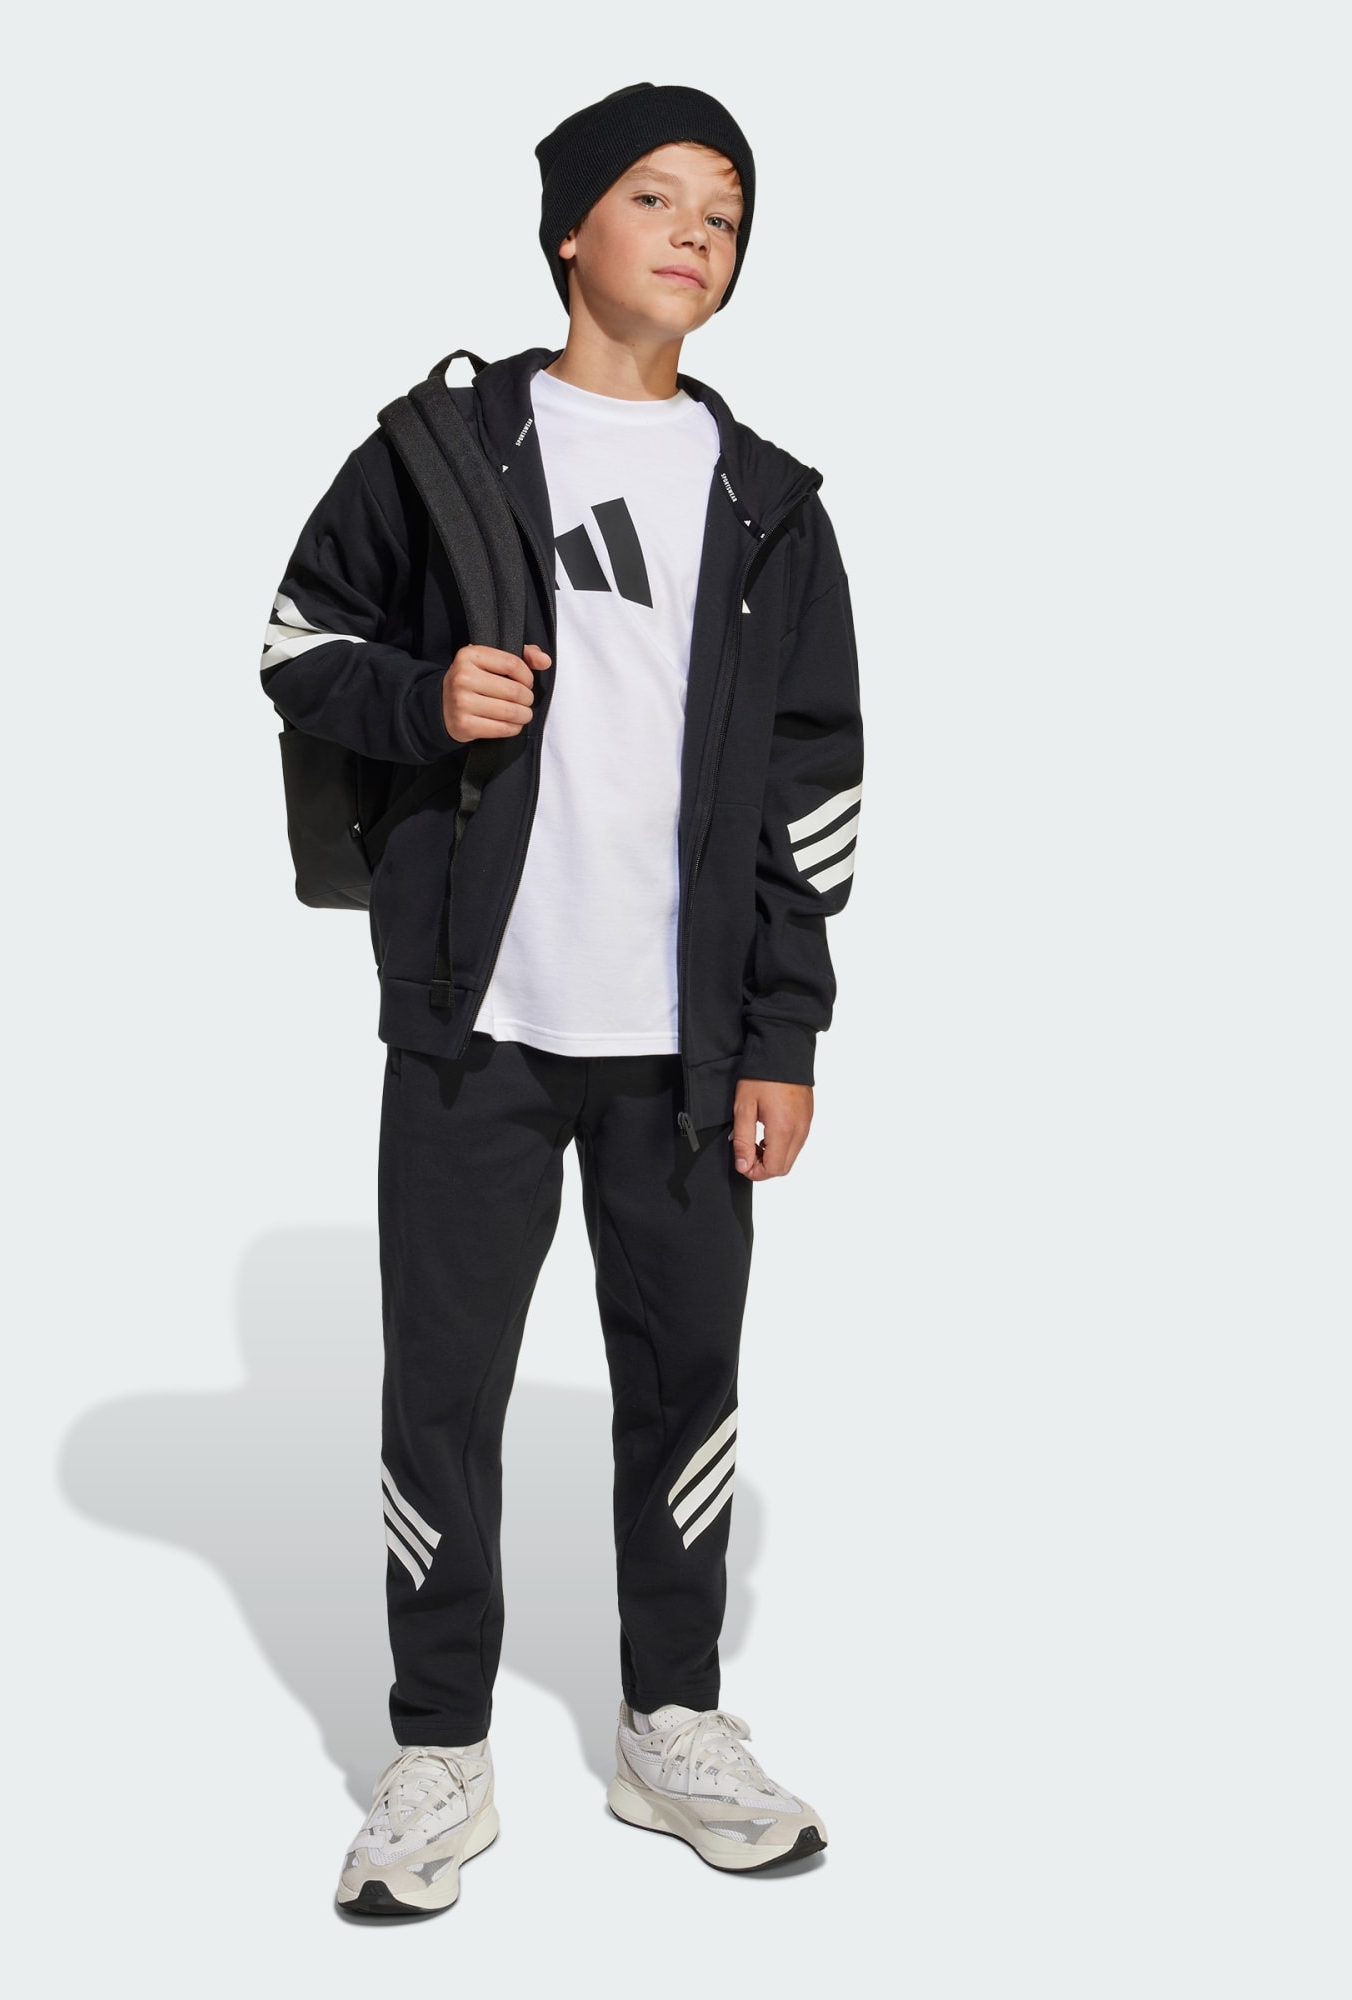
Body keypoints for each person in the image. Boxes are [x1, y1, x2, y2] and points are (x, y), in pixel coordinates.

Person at [258, 81, 865, 1917]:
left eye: (727, 213)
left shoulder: (770, 503)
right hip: (481, 1019)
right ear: (569, 230)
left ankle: (670, 1720)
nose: (697, 233)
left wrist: (784, 1031)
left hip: (689, 1046)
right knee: (442, 1391)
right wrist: (424, 697)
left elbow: (814, 789)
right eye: (658, 197)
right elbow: (297, 642)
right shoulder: (443, 452)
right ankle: (438, 1745)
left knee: (687, 1386)